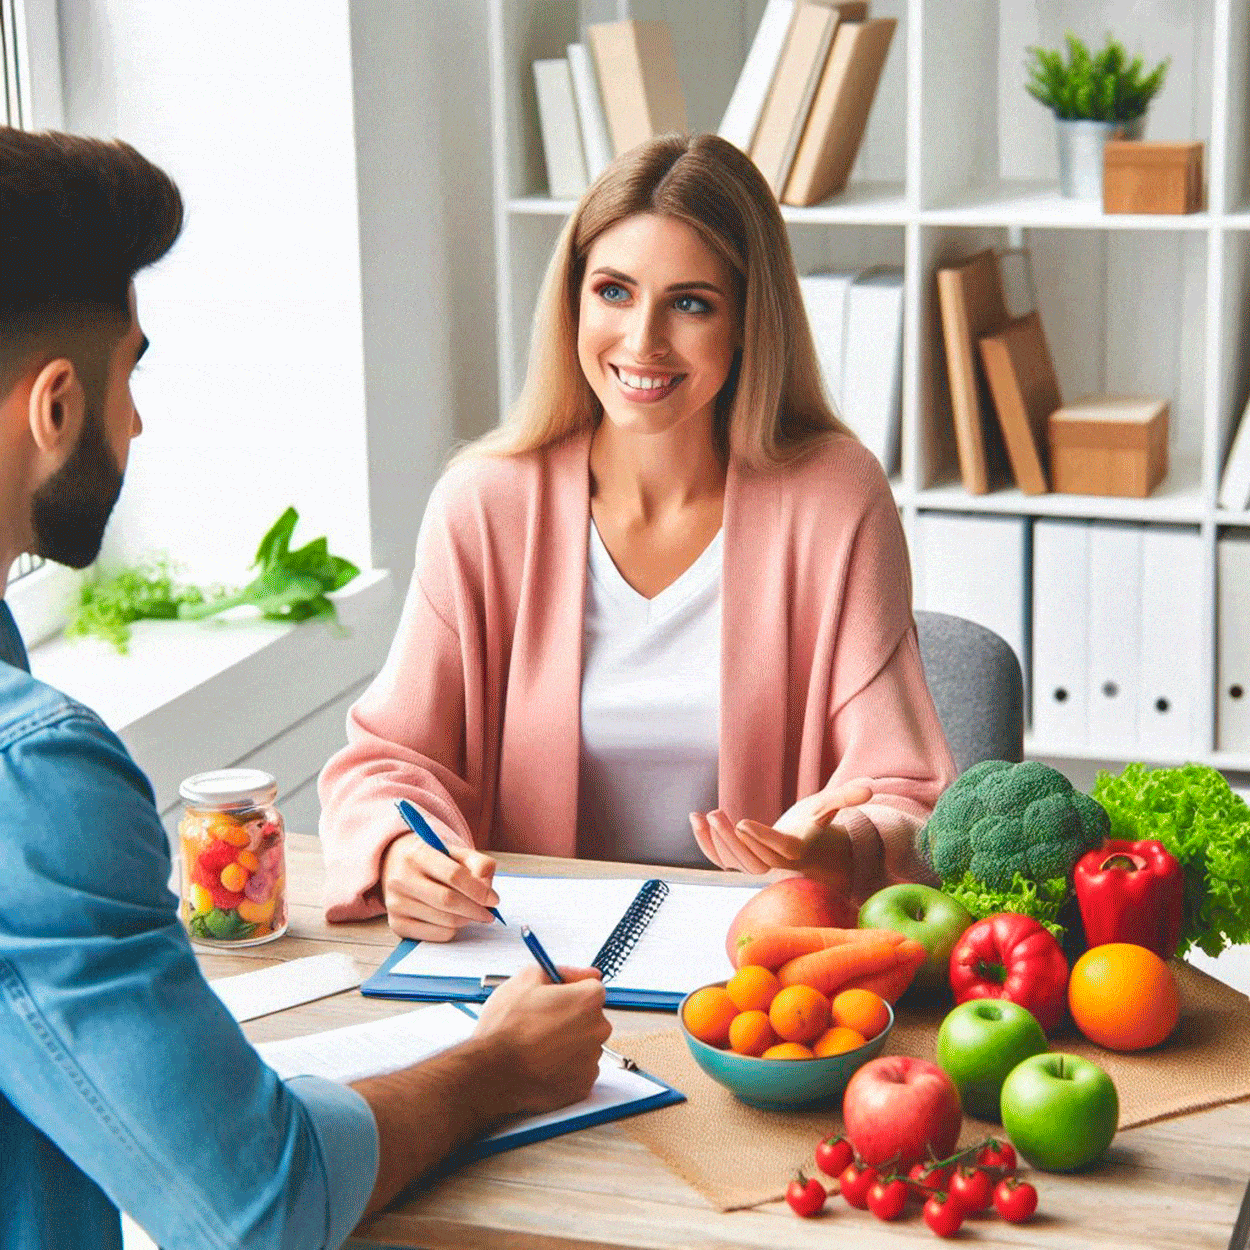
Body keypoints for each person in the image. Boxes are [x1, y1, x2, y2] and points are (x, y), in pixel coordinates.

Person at [0, 126, 611, 1250]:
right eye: (129, 374)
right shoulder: (31, 773)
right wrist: (495, 1068)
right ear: (55, 406)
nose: (134, 418)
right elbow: (257, 1202)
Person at [318, 132, 958, 945]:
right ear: (573, 299)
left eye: (691, 303)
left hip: (763, 977)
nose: (643, 340)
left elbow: (910, 792)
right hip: (534, 969)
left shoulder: (834, 498)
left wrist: (839, 851)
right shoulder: (484, 506)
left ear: (747, 322)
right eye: (614, 291)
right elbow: (383, 762)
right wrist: (404, 853)